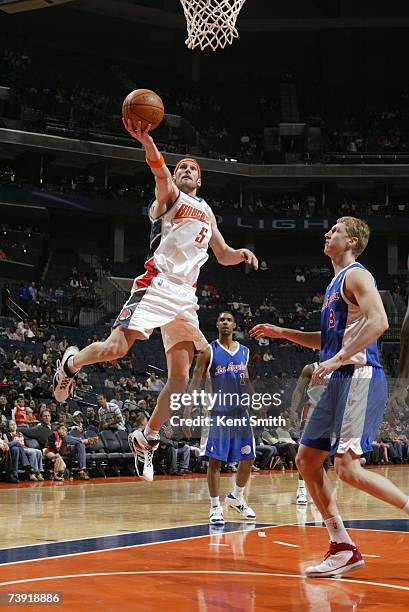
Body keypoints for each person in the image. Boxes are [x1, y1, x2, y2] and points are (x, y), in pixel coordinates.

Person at [53, 119, 257, 482]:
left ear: (201, 179)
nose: (187, 171)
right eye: (183, 168)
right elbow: (160, 172)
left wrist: (241, 253)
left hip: (184, 296)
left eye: (193, 168)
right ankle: (70, 364)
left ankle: (146, 436)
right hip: (157, 283)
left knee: (179, 379)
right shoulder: (170, 199)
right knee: (116, 349)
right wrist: (148, 141)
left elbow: (222, 253)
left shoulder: (207, 210)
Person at [250, 216, 409, 578]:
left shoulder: (357, 275)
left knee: (347, 469)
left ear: (351, 240)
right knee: (306, 460)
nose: (327, 233)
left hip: (359, 374)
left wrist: (337, 358)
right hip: (340, 376)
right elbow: (328, 340)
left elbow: (380, 321)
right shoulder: (335, 285)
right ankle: (342, 546)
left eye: (335, 230)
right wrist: (282, 332)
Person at [186, 311, 256, 526]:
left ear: (234, 325)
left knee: (249, 457)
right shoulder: (209, 351)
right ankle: (215, 506)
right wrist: (188, 407)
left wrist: (256, 400)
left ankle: (236, 496)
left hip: (240, 412)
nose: (225, 323)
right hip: (217, 412)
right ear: (217, 324)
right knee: (215, 461)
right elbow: (196, 379)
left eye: (229, 320)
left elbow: (245, 379)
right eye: (221, 320)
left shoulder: (244, 351)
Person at [289, 362, 330, 505]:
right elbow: (299, 389)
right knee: (304, 453)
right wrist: (293, 410)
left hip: (331, 414)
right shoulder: (310, 368)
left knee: (325, 455)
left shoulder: (340, 366)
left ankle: (319, 489)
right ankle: (301, 490)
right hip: (311, 412)